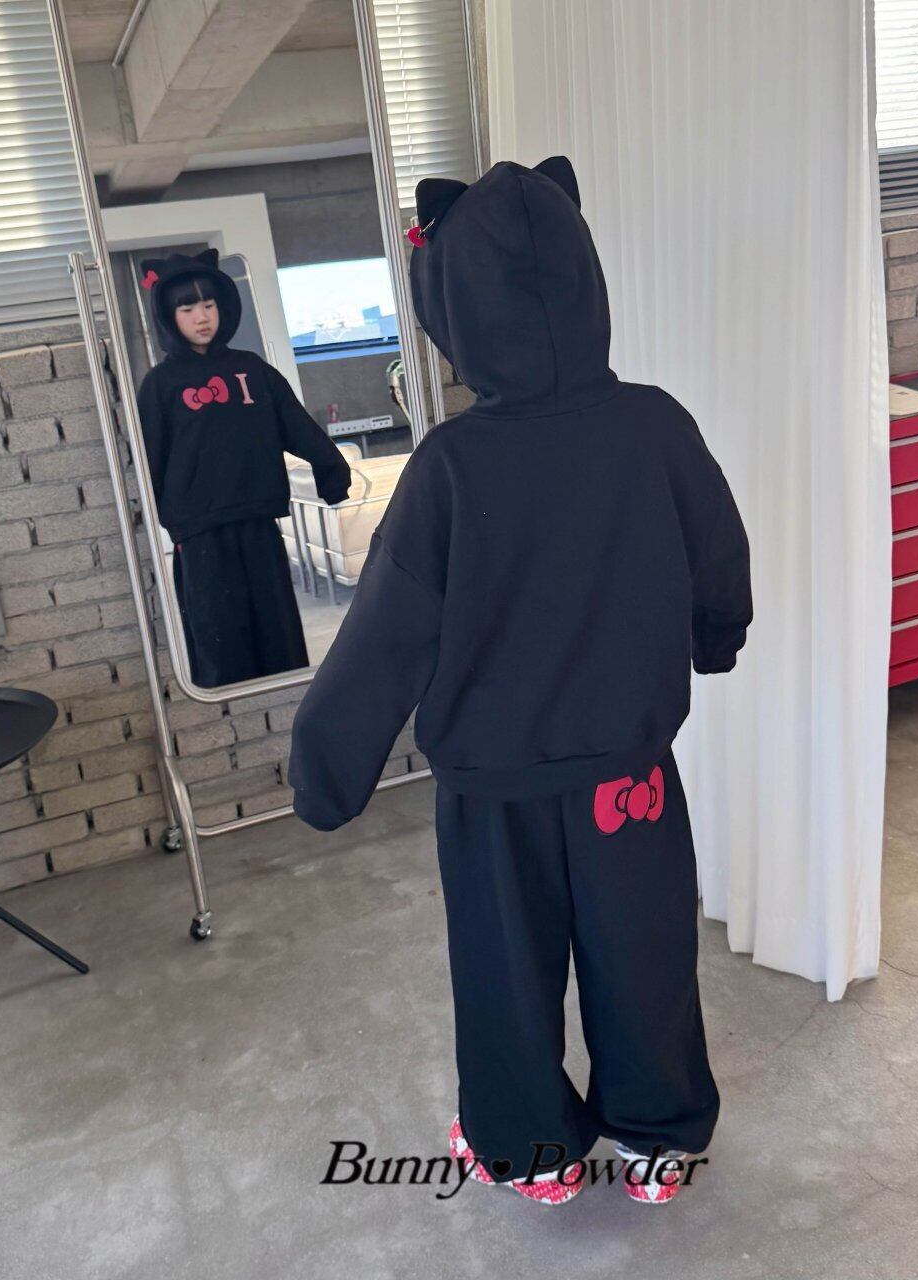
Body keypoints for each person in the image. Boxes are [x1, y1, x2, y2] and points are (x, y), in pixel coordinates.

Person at [287, 157, 753, 1206]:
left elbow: (385, 635)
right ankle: (658, 1139)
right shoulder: (655, 425)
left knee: (505, 967)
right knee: (644, 955)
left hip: (492, 787)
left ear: (456, 313)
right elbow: (717, 550)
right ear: (585, 282)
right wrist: (715, 637)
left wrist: (327, 770)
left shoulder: (451, 466)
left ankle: (534, 1149)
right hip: (627, 772)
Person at [134, 249, 352, 688]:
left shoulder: (251, 370)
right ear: (169, 317)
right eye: (188, 308)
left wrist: (332, 473)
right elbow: (150, 455)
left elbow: (296, 424)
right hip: (200, 532)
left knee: (276, 629)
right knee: (218, 634)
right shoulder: (160, 385)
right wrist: (160, 516)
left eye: (208, 304)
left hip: (257, 520)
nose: (201, 317)